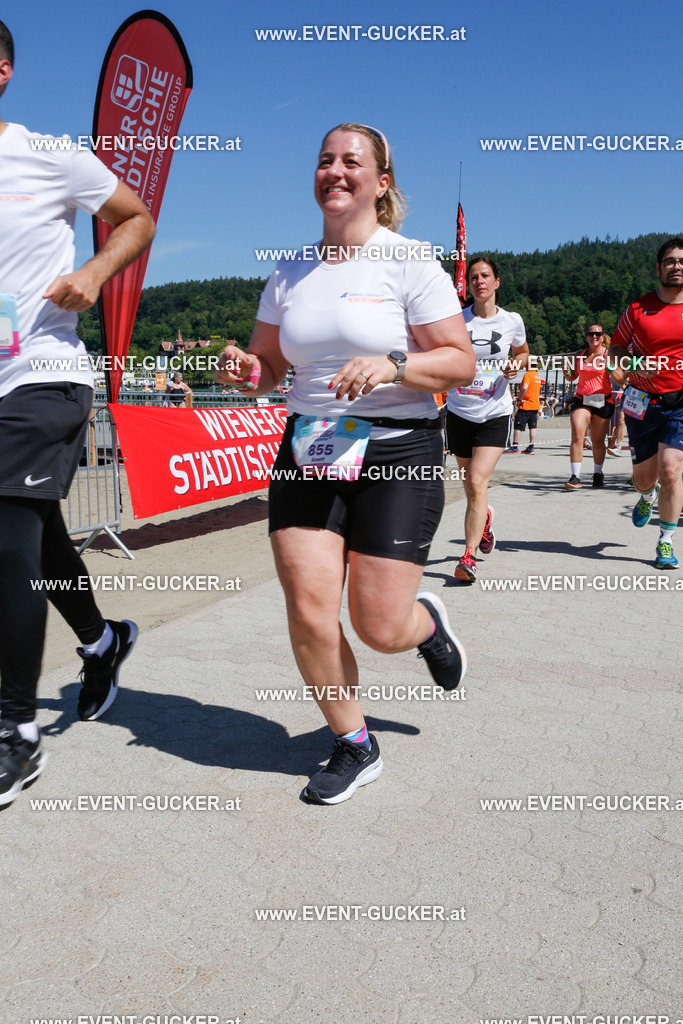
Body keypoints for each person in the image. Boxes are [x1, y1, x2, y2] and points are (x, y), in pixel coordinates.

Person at [216, 122, 475, 805]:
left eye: (350, 162)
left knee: (378, 627)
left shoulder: (409, 261)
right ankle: (353, 742)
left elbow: (458, 360)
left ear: (379, 182)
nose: (334, 170)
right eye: (324, 159)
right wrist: (249, 368)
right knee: (306, 608)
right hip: (310, 446)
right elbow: (270, 368)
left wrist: (393, 362)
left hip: (398, 448)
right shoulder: (290, 269)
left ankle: (421, 624)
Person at [0, 21, 155, 805]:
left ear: (0, 71)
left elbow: (136, 217)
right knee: (34, 531)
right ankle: (102, 641)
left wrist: (93, 271)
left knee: (3, 530)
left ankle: (16, 732)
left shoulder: (49, 154)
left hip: (42, 374)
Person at [445, 257, 528, 581]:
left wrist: (516, 366)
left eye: (486, 276)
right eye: (474, 277)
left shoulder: (512, 321)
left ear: (496, 282)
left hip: (494, 412)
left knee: (478, 482)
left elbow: (522, 353)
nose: (479, 281)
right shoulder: (455, 321)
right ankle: (485, 522)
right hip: (459, 411)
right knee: (470, 486)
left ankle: (468, 556)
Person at [609, 238, 683, 568]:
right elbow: (616, 351)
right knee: (645, 478)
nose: (677, 266)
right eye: (670, 261)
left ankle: (665, 541)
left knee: (671, 471)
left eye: (681, 261)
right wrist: (633, 367)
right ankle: (645, 496)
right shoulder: (638, 309)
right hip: (642, 400)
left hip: (680, 402)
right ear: (658, 268)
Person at [562, 326, 625, 490]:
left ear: (602, 336)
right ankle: (575, 476)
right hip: (582, 399)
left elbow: (620, 378)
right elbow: (572, 377)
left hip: (603, 401)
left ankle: (598, 473)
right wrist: (566, 373)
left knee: (598, 442)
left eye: (597, 334)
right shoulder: (580, 355)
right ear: (587, 336)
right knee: (577, 433)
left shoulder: (608, 354)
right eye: (591, 334)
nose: (594, 336)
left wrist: (609, 367)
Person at [505, 365, 543, 453]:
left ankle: (515, 446)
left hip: (526, 405)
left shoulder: (528, 374)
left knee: (518, 426)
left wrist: (520, 399)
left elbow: (525, 387)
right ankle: (531, 447)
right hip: (535, 405)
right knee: (533, 426)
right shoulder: (537, 376)